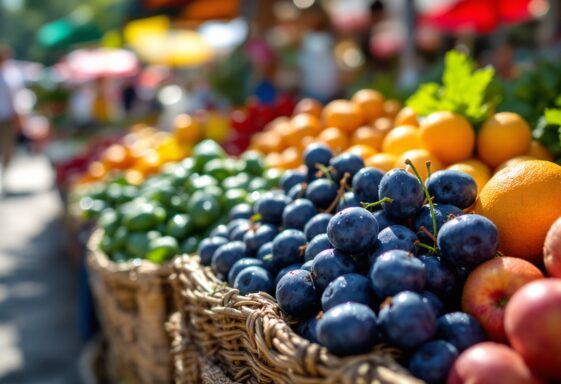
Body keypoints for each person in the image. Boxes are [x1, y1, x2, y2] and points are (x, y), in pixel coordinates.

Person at [0, 44, 22, 195]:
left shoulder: (8, 75)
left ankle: (5, 178)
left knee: (7, 149)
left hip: (5, 117)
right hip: (5, 118)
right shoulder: (8, 76)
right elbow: (13, 100)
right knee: (7, 149)